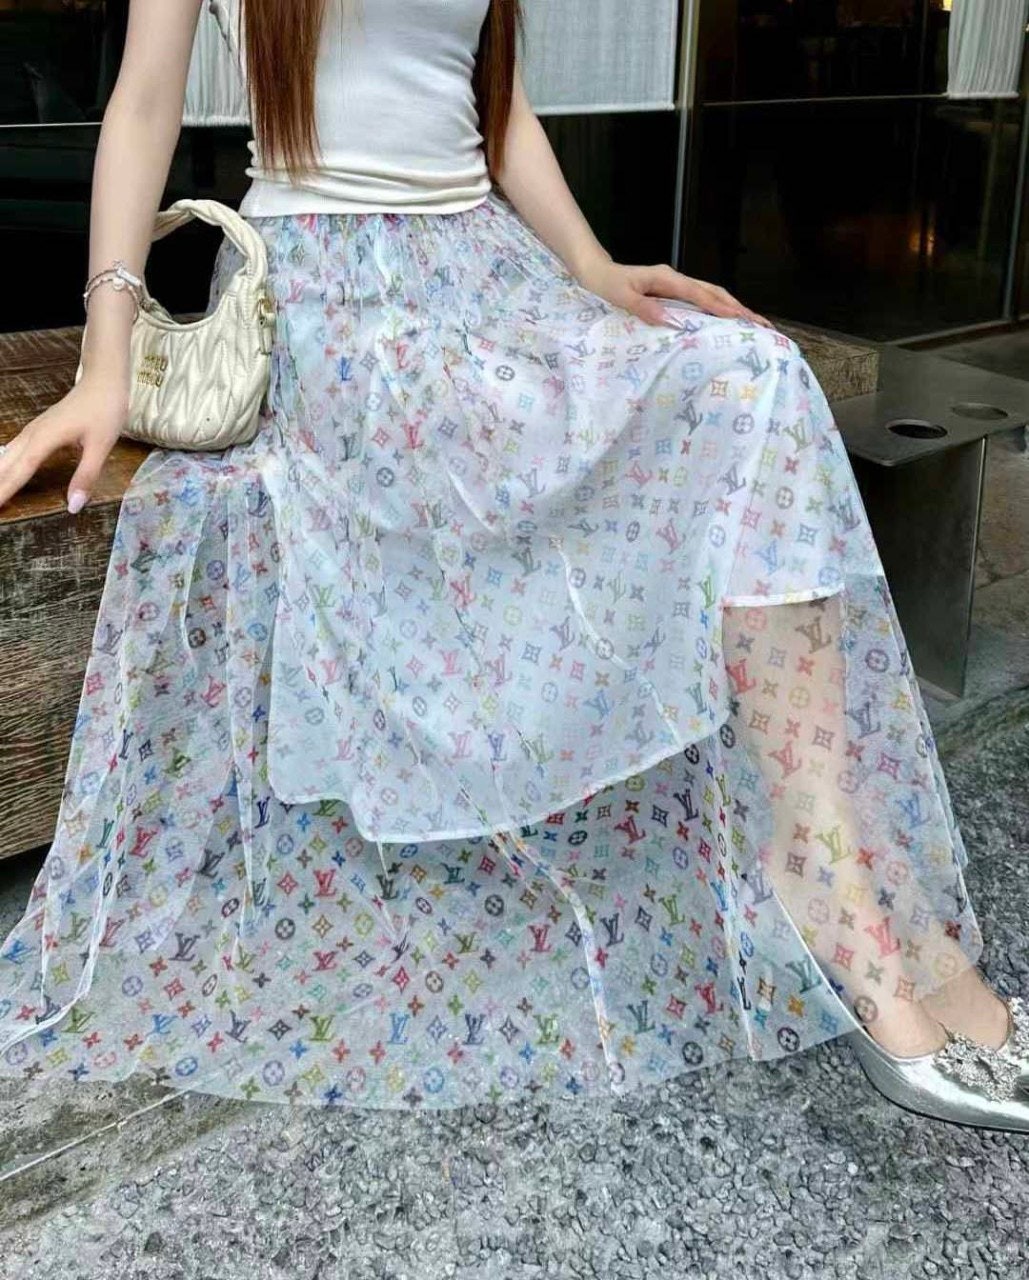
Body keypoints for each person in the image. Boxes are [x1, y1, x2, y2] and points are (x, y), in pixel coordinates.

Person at [0, 0, 1025, 1127]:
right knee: (674, 405)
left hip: (490, 264)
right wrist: (106, 360)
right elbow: (144, 100)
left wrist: (592, 265)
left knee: (753, 377)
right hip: (340, 293)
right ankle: (838, 899)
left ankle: (818, 852)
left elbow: (497, 104)